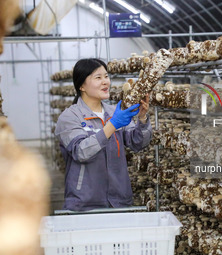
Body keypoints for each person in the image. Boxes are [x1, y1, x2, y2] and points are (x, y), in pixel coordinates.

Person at [55, 58, 152, 211]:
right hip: (86, 203)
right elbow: (81, 152)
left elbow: (138, 143)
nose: (105, 82)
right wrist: (112, 125)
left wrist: (142, 118)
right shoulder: (70, 117)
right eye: (98, 78)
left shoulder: (114, 112)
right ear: (81, 86)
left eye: (106, 76)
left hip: (119, 201)